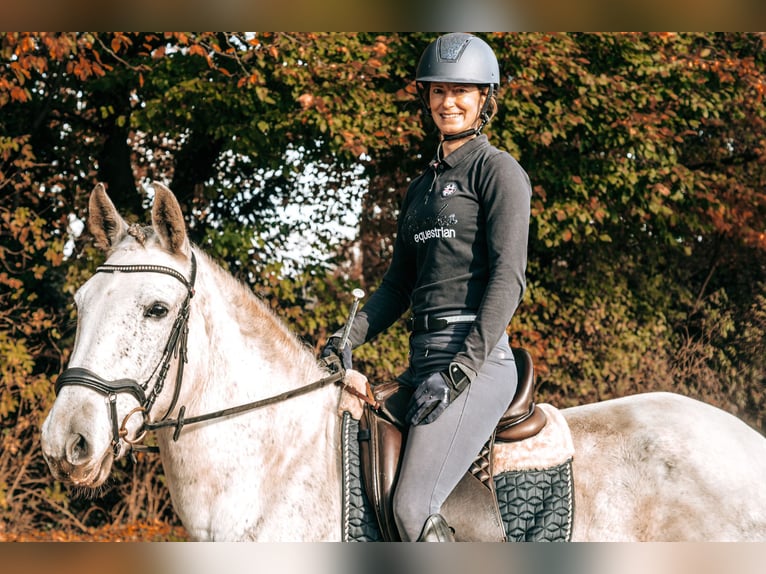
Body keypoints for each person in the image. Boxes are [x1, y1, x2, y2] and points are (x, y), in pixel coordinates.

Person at [322, 32, 531, 542]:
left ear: (485, 99)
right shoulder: (421, 190)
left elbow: (509, 279)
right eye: (438, 91)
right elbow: (397, 286)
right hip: (423, 362)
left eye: (462, 91)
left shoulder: (497, 172)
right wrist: (346, 339)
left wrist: (461, 370)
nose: (448, 102)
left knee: (412, 506)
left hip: (478, 364)